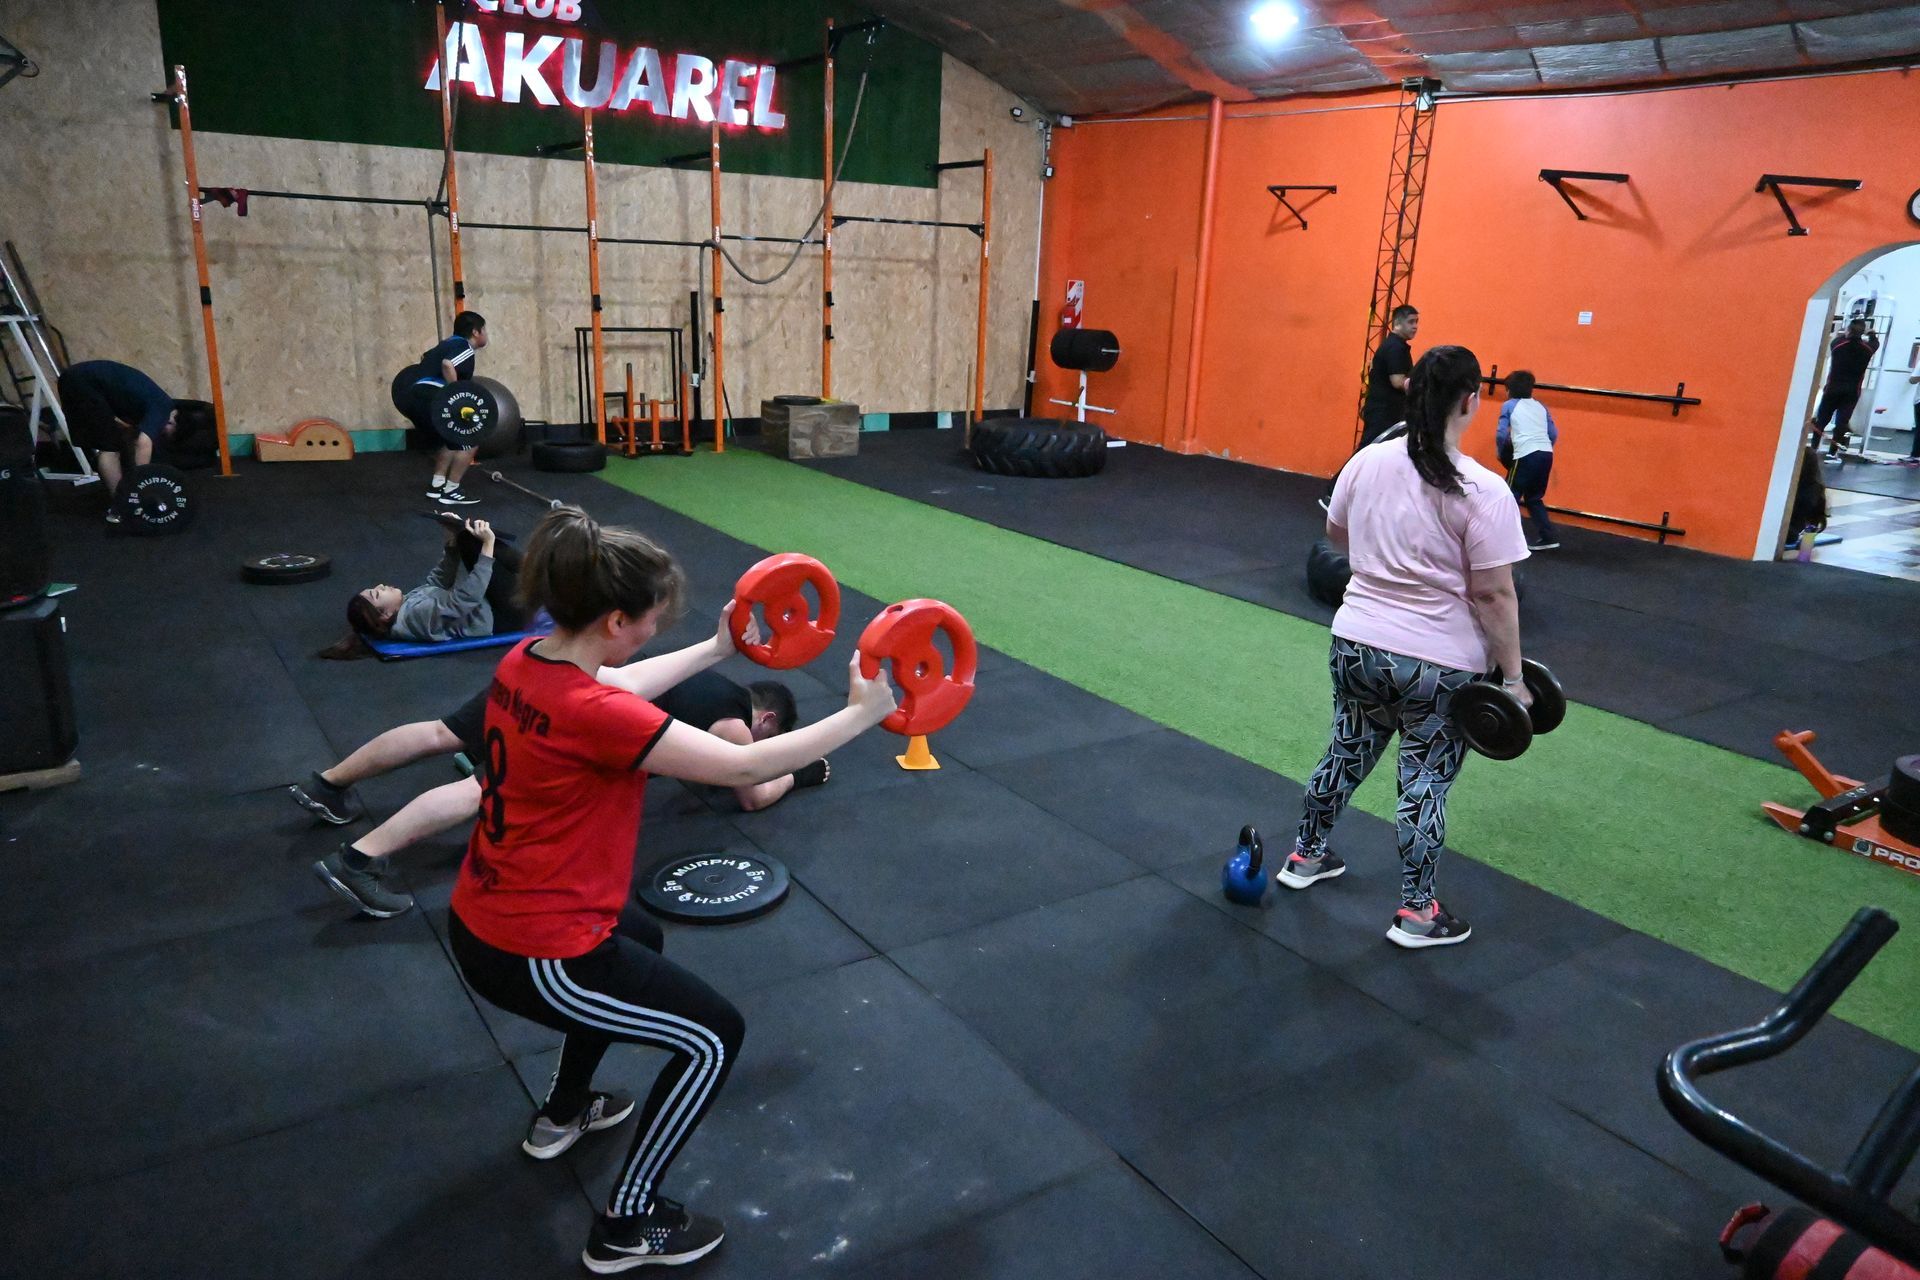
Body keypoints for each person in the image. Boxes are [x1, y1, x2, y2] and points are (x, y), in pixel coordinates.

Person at [443, 505, 895, 1270]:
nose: (657, 628)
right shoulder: (598, 715)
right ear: (616, 620)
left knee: (640, 936)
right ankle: (627, 1224)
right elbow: (745, 767)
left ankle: (565, 1112)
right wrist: (860, 715)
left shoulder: (527, 662)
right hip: (536, 951)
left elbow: (621, 680)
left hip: (482, 913)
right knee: (712, 1037)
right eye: (653, 618)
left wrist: (718, 648)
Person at [1278, 345, 1530, 951]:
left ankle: (1305, 856)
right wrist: (1514, 679)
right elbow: (1495, 594)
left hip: (1357, 644)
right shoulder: (1484, 489)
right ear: (1470, 400)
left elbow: (1336, 534)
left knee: (1346, 748)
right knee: (1424, 783)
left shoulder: (1366, 461)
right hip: (1438, 665)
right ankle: (1418, 914)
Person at [296, 671, 820, 918]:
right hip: (575, 714)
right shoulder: (734, 723)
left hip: (551, 670)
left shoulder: (707, 680)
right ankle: (358, 860)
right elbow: (751, 791)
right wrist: (800, 772)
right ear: (767, 720)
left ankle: (328, 783)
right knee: (483, 789)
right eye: (768, 738)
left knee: (441, 733)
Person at [318, 515, 526, 658]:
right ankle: (539, 570)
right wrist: (488, 545)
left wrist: (451, 538)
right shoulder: (416, 616)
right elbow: (465, 599)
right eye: (377, 593)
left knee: (465, 538)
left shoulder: (403, 608)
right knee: (476, 542)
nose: (381, 586)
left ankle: (536, 568)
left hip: (492, 605)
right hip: (506, 615)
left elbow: (436, 582)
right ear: (385, 614)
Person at [55, 359, 178, 519]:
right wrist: (141, 486)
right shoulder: (163, 406)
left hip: (69, 380)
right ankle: (123, 505)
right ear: (172, 422)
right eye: (166, 433)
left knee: (110, 446)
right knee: (109, 450)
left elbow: (129, 434)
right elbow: (143, 443)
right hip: (85, 382)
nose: (161, 432)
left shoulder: (145, 403)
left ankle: (122, 500)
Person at [394, 310, 487, 505]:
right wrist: (455, 396)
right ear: (476, 332)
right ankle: (452, 490)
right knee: (471, 437)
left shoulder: (447, 343)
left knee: (452, 438)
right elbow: (447, 364)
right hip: (433, 395)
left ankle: (437, 486)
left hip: (415, 396)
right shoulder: (464, 346)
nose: (486, 334)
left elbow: (426, 358)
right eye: (484, 330)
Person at [1495, 370, 1560, 550]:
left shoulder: (1509, 405)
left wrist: (1500, 451)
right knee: (1534, 497)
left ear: (1509, 390)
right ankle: (1548, 537)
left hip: (1525, 454)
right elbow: (1553, 433)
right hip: (1546, 455)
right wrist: (1542, 448)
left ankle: (1503, 538)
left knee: (1509, 495)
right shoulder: (1541, 407)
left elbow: (1501, 434)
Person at [1812, 317, 1880, 459]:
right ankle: (1832, 453)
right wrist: (1872, 334)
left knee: (1821, 420)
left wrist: (1845, 331)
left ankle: (1813, 449)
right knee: (1841, 423)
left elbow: (1839, 338)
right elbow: (1875, 343)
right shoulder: (1867, 349)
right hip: (1852, 391)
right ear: (1862, 332)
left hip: (1832, 389)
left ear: (1848, 330)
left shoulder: (1838, 345)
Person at [1360, 305, 1419, 448]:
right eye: (1411, 322)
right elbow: (1397, 381)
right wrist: (1421, 387)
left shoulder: (1394, 345)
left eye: (1416, 322)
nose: (1415, 326)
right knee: (1370, 451)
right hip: (1384, 413)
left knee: (1371, 451)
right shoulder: (1395, 347)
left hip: (1385, 411)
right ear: (1397, 323)